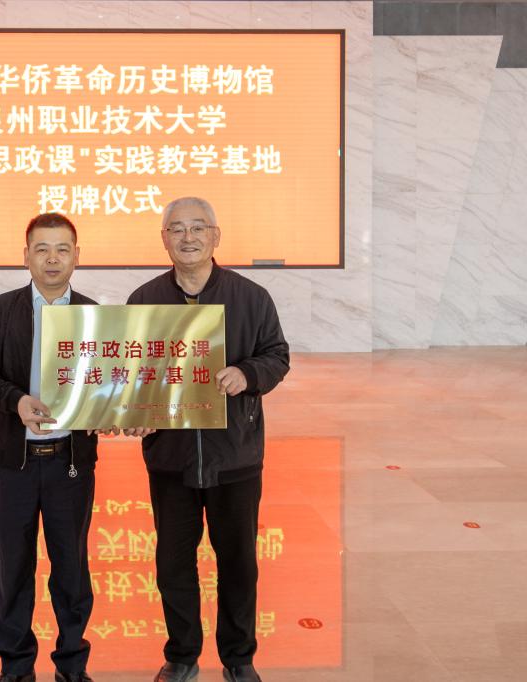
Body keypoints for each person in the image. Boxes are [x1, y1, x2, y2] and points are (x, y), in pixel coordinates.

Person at [125, 197, 290, 682]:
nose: (188, 237)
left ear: (216, 236)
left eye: (198, 228)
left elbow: (277, 355)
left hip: (235, 455)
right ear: (164, 239)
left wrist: (247, 373)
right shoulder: (144, 300)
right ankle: (182, 655)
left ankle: (238, 658)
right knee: (173, 563)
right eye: (177, 229)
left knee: (237, 563)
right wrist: (133, 412)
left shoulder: (251, 297)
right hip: (170, 458)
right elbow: (130, 373)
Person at [0, 212, 98, 682]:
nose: (52, 259)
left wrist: (117, 411)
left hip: (70, 465)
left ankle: (72, 667)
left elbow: (109, 382)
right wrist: (16, 401)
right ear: (26, 256)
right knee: (14, 571)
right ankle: (16, 668)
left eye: (62, 249)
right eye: (42, 249)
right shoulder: (1, 311)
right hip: (12, 465)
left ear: (77, 256)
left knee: (72, 573)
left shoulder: (93, 314)